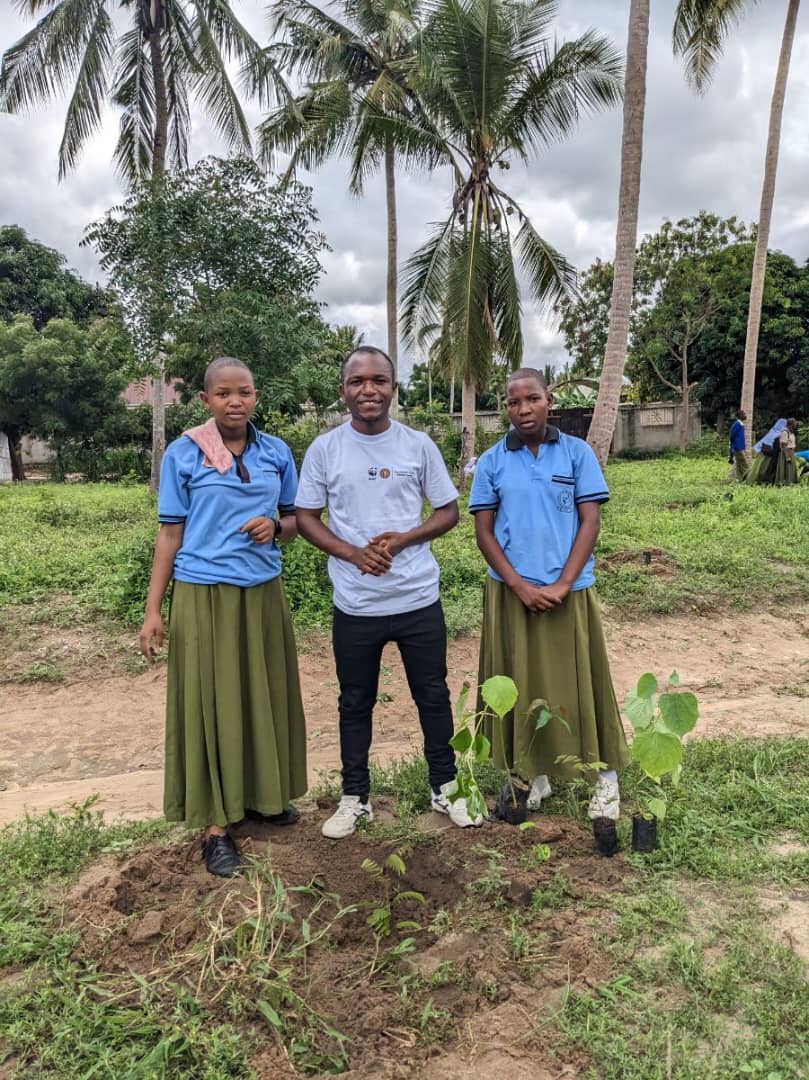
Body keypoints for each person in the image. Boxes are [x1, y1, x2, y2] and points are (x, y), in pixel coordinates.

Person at [295, 345, 483, 838]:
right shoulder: (325, 450)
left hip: (418, 598)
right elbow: (306, 519)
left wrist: (403, 540)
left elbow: (447, 511)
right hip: (355, 605)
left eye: (379, 381)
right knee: (355, 700)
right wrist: (354, 554)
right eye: (358, 382)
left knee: (433, 695)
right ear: (344, 391)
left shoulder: (417, 445)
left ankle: (445, 787)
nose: (368, 390)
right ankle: (355, 796)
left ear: (394, 388)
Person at [139, 357, 307, 877]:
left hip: (261, 592)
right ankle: (216, 829)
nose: (236, 401)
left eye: (246, 392)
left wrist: (274, 527)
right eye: (224, 394)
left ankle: (262, 798)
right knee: (212, 705)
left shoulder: (276, 451)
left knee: (263, 694)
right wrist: (153, 612)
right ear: (206, 400)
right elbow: (170, 534)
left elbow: (296, 519)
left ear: (257, 397)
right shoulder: (184, 453)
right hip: (203, 593)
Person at [469, 367, 629, 821]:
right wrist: (519, 585)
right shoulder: (492, 461)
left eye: (532, 399)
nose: (523, 410)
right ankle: (532, 775)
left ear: (548, 401)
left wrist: (561, 584)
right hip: (510, 594)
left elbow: (590, 523)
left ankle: (606, 780)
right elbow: (483, 533)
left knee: (583, 684)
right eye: (514, 402)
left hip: (569, 594)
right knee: (521, 685)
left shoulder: (577, 454)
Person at [746, 418, 787, 485]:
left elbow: (761, 444)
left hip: (762, 454)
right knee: (767, 470)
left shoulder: (772, 432)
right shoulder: (781, 435)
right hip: (770, 456)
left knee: (758, 470)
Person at [775, 417, 799, 485]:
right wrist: (787, 456)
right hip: (786, 452)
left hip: (791, 452)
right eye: (794, 423)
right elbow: (783, 446)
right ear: (791, 424)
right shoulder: (785, 432)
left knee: (791, 468)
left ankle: (791, 482)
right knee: (785, 468)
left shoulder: (791, 433)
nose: (796, 424)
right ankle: (783, 482)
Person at [728, 409, 749, 481]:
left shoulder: (741, 424)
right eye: (743, 414)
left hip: (740, 447)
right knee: (744, 463)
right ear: (739, 416)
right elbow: (731, 436)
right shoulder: (737, 424)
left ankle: (740, 479)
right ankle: (747, 478)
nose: (745, 415)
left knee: (739, 464)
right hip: (737, 447)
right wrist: (733, 446)